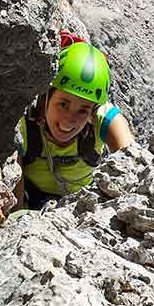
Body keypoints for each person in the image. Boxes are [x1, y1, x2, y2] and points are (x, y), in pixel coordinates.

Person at [14, 33, 135, 209]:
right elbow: (15, 202)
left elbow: (133, 165)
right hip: (31, 200)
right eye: (63, 104)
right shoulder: (23, 123)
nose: (69, 120)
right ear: (46, 96)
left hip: (85, 206)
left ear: (93, 110)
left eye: (83, 110)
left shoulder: (105, 118)